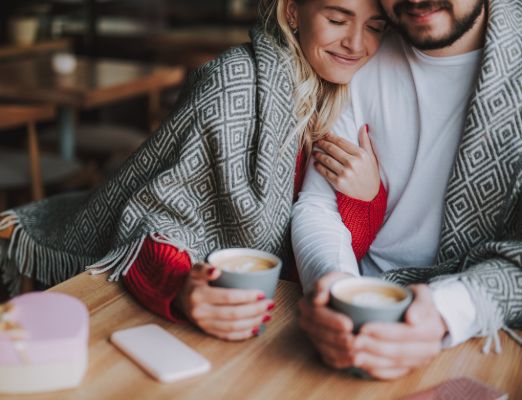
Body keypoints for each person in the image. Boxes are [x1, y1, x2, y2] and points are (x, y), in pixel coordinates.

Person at [0, 0, 388, 340]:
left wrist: (366, 199)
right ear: (292, 11)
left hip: (279, 315)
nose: (356, 43)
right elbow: (154, 220)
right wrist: (183, 289)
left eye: (374, 26)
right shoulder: (235, 82)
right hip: (160, 294)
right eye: (338, 20)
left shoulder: (352, 100)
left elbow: (334, 255)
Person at [293, 0, 522, 380]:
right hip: (361, 304)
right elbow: (319, 203)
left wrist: (446, 310)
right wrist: (336, 286)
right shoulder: (365, 48)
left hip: (480, 333)